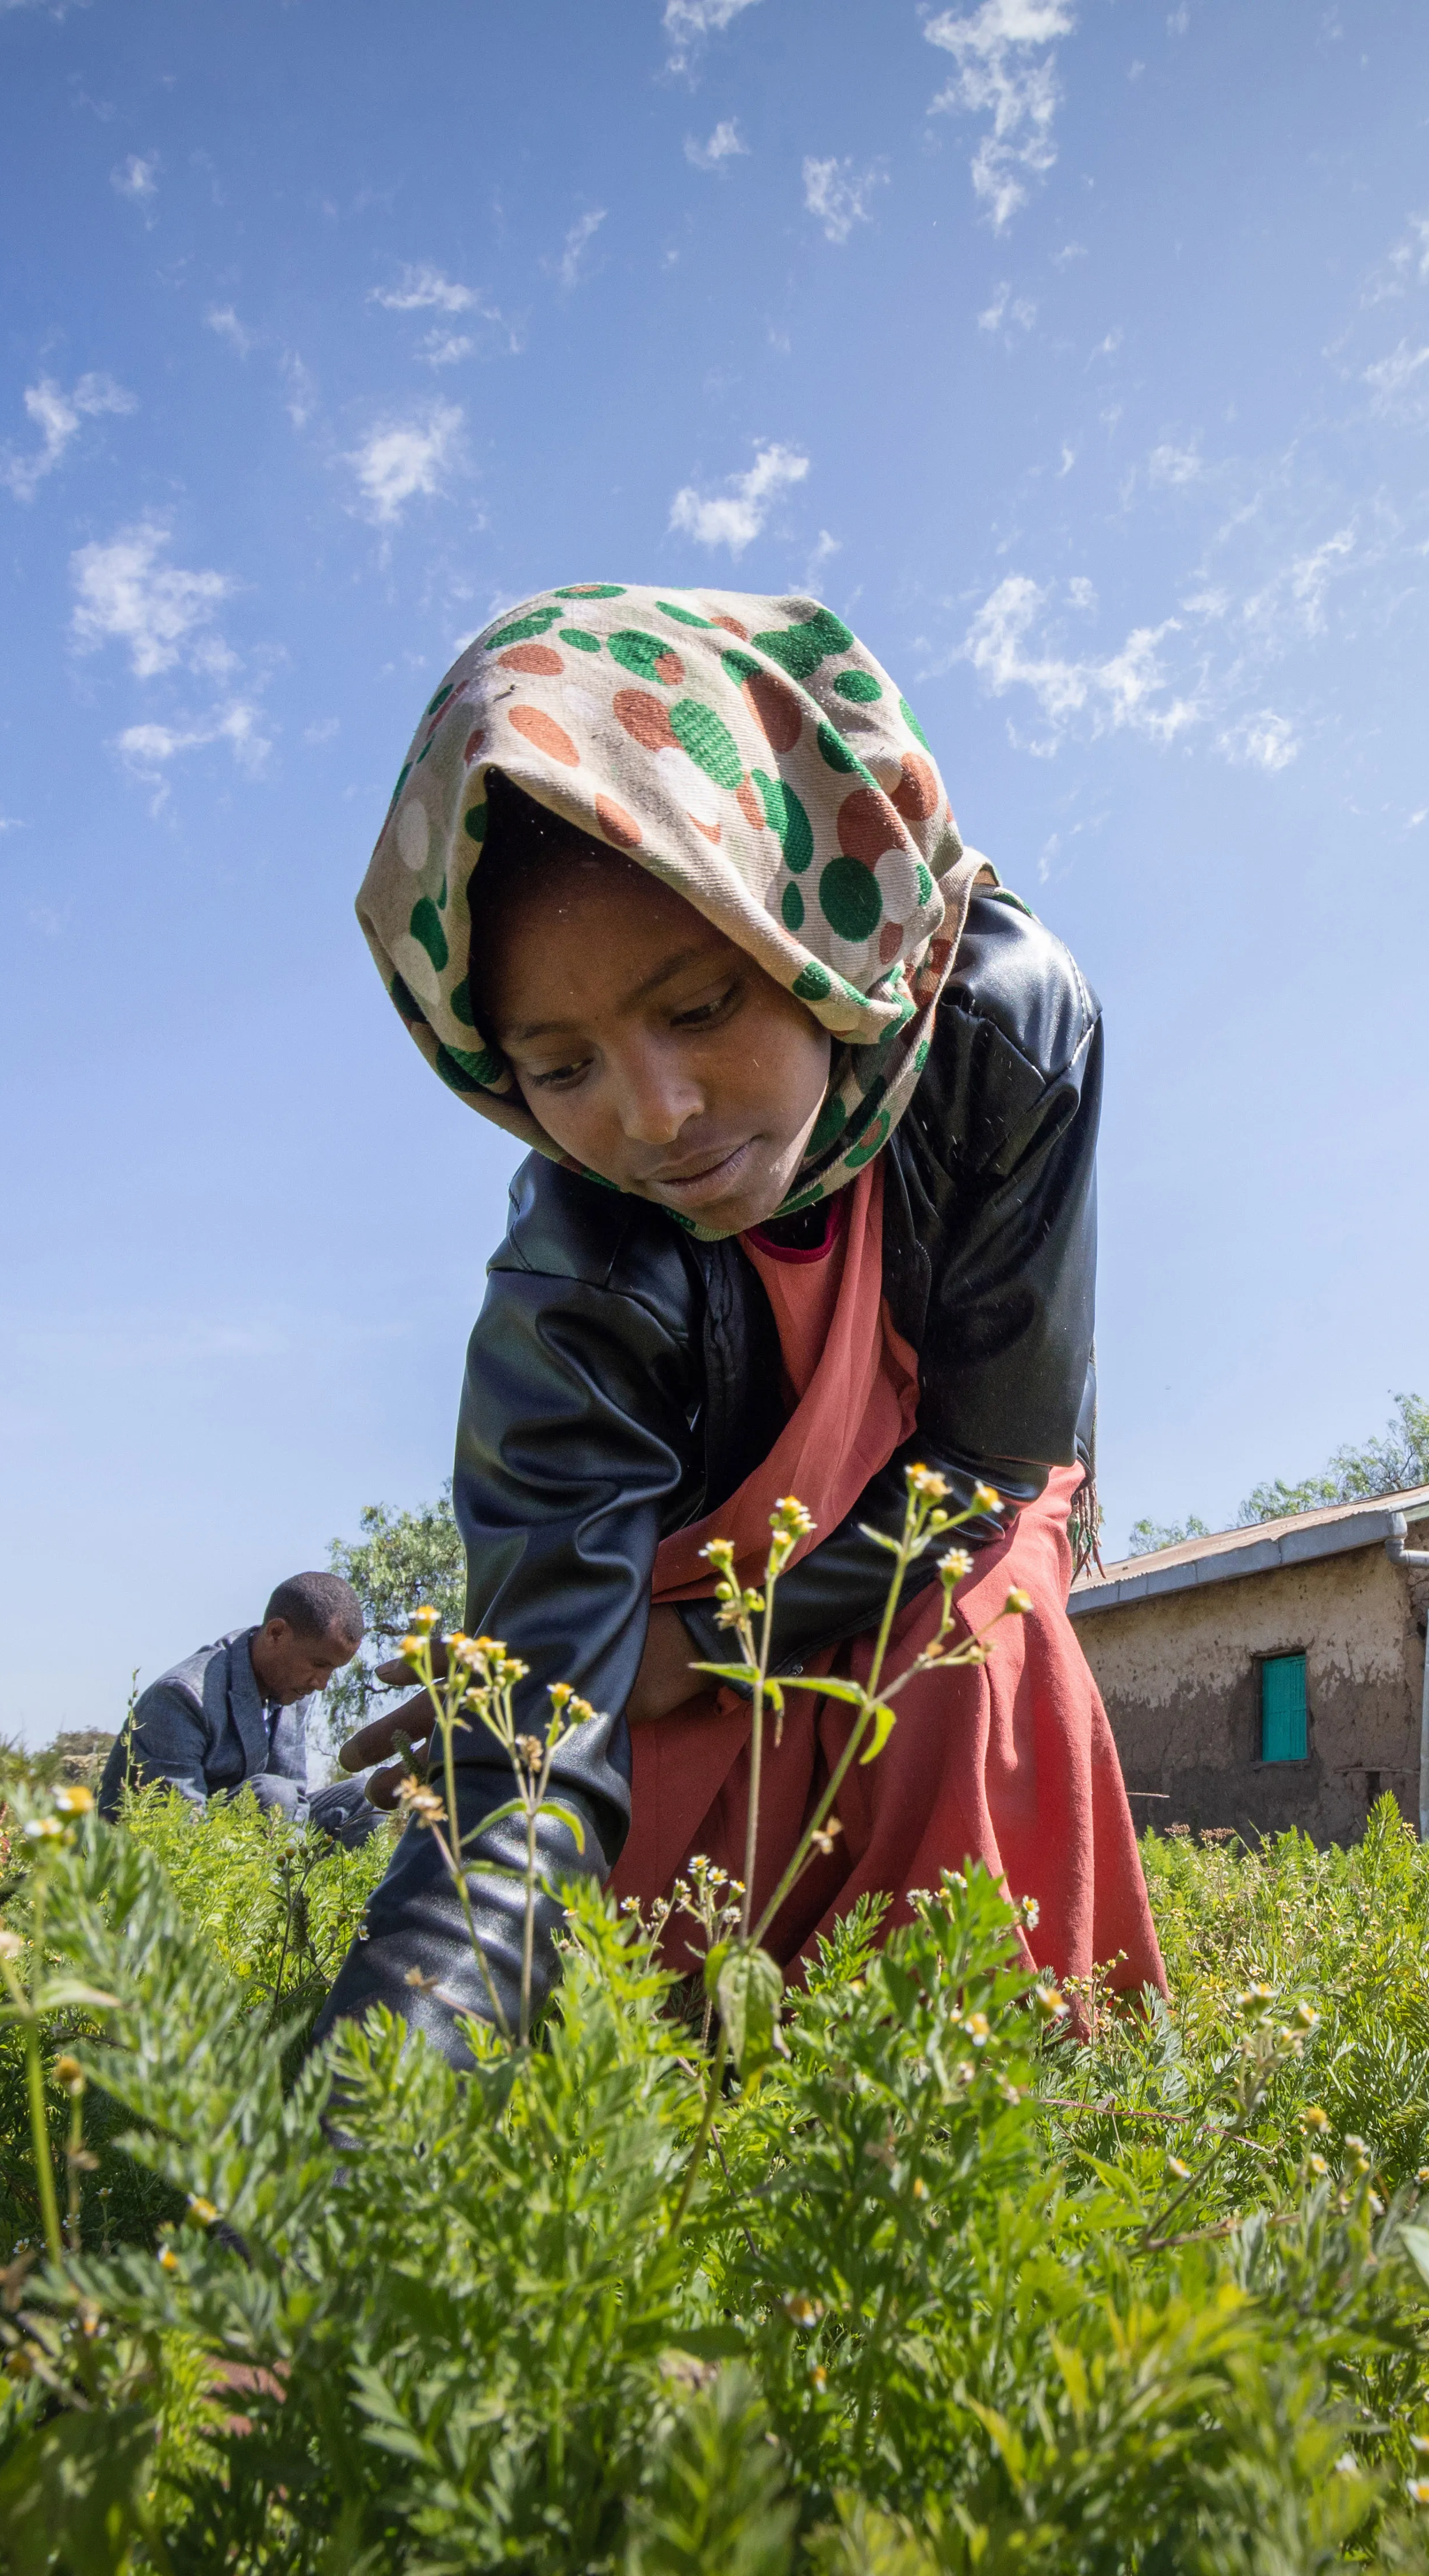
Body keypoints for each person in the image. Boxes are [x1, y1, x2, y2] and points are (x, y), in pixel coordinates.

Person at [319, 584, 1159, 2063]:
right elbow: (528, 1772)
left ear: (804, 928)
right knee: (634, 1968)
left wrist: (699, 1647)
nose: (653, 1116)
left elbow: (985, 1468)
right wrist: (364, 2115)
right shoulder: (574, 1278)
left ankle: (982, 2077)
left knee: (979, 1639)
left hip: (949, 1506)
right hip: (715, 1576)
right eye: (560, 1067)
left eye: (702, 1005)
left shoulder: (1002, 1029)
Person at [102, 1570, 363, 1822]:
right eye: (319, 1664)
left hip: (260, 1831)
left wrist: (295, 1845)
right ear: (276, 1633)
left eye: (332, 1670)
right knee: (276, 1795)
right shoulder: (183, 1697)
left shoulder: (294, 1689)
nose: (322, 1684)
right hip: (178, 1835)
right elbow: (179, 1821)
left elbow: (295, 1793)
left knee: (363, 1795)